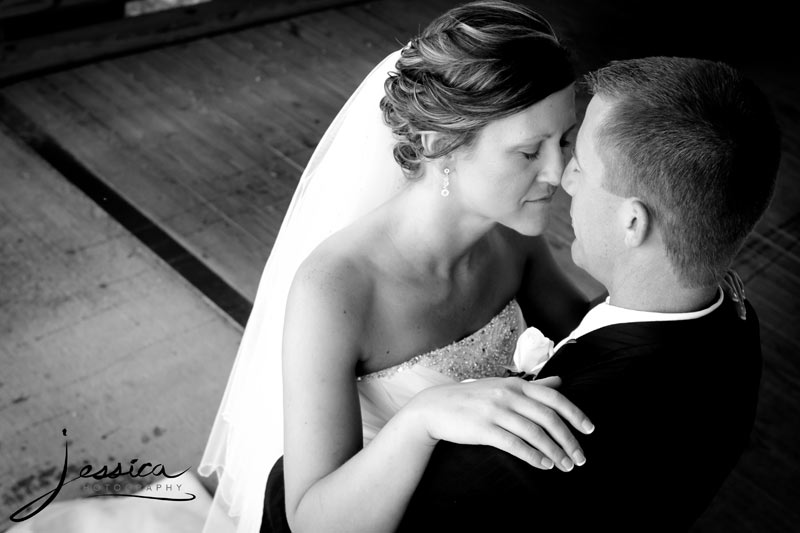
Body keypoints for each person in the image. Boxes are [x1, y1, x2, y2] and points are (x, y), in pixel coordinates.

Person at [199, 2, 601, 533]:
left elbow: (592, 342)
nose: (559, 171)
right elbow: (311, 520)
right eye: (530, 152)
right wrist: (421, 420)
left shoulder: (509, 233)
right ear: (440, 147)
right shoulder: (335, 289)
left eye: (564, 140)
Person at [395, 56, 781, 531]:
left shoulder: (525, 456)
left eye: (580, 164)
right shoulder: (734, 323)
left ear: (633, 223)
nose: (562, 178)